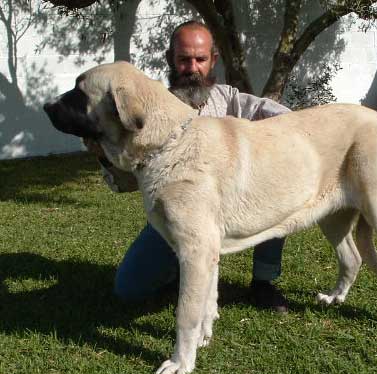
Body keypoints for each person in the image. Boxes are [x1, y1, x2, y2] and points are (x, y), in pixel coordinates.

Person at [84, 20, 290, 312]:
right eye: (184, 59)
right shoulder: (147, 110)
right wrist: (105, 156)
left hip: (232, 210)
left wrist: (303, 128)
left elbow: (272, 113)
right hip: (174, 219)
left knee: (279, 191)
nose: (192, 68)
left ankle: (263, 283)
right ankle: (181, 268)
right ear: (171, 60)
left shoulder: (230, 100)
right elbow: (129, 183)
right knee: (129, 289)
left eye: (200, 59)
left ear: (213, 61)